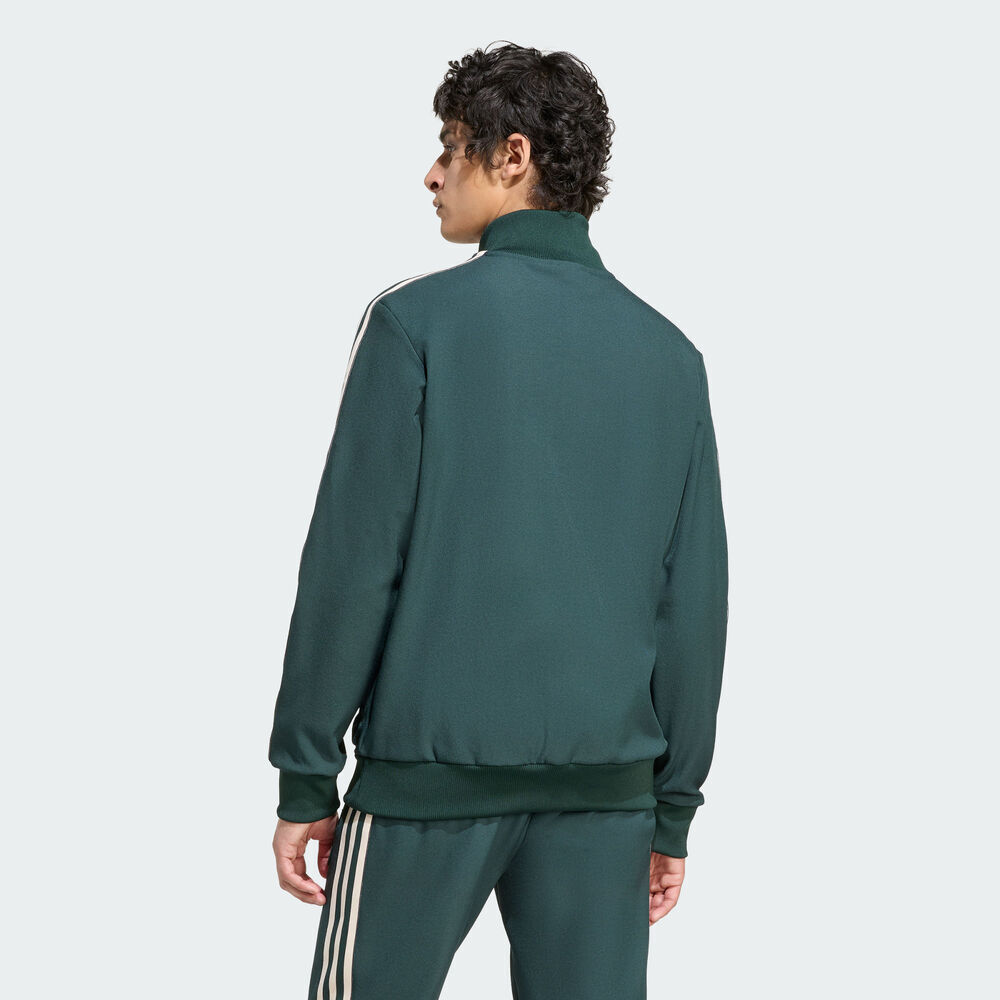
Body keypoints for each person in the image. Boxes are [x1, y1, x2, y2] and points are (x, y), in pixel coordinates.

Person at [268, 41, 729, 1000]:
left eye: (451, 147)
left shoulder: (416, 324)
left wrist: (307, 774)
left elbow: (353, 566)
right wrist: (671, 809)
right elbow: (693, 605)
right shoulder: (670, 356)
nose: (432, 174)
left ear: (512, 156)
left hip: (424, 790)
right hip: (607, 800)